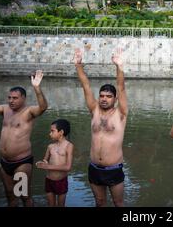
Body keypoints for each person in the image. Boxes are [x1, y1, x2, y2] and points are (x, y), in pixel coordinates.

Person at [0, 70, 47, 207]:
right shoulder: (5, 110)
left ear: (23, 99)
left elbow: (43, 107)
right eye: (9, 97)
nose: (11, 101)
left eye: (15, 98)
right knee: (10, 195)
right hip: (4, 163)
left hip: (21, 162)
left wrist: (37, 88)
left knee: (24, 195)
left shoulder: (28, 112)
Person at [74, 47, 128, 207]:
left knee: (118, 203)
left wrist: (119, 66)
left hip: (113, 168)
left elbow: (121, 87)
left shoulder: (121, 113)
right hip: (94, 168)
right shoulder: (94, 110)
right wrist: (78, 65)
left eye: (108, 96)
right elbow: (86, 86)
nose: (104, 99)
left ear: (115, 99)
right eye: (102, 96)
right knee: (99, 202)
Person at [36, 119, 74, 207]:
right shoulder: (50, 146)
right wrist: (42, 163)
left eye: (52, 131)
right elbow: (45, 160)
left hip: (61, 181)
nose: (50, 133)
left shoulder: (69, 146)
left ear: (61, 132)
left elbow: (68, 167)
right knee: (51, 205)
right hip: (49, 180)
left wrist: (48, 167)